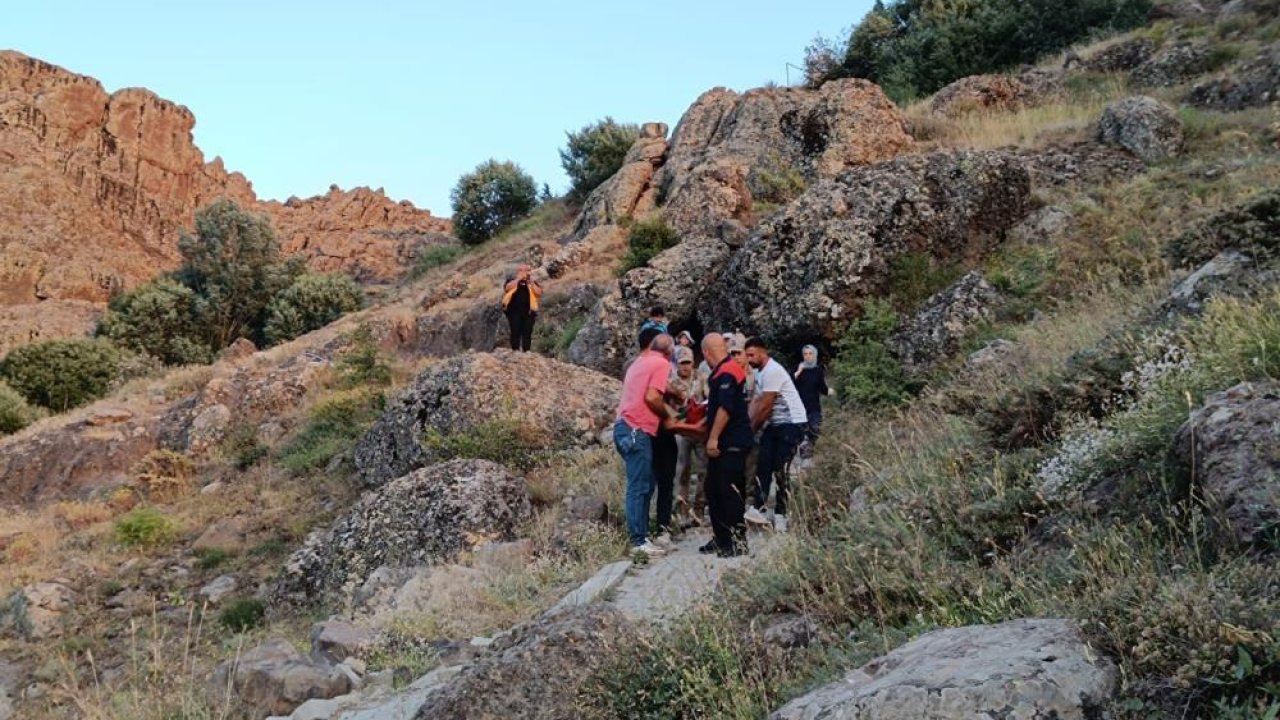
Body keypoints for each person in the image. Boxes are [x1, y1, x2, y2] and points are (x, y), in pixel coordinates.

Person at [614, 330, 694, 557]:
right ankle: (638, 541)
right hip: (636, 430)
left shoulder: (639, 363)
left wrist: (672, 392)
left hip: (626, 427)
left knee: (645, 484)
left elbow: (651, 388)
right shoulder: (661, 364)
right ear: (670, 352)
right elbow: (651, 397)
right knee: (639, 487)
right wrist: (670, 416)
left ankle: (642, 537)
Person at [743, 337, 808, 534]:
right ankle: (760, 509)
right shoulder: (759, 372)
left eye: (752, 354)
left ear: (763, 352)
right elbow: (756, 401)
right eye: (747, 355)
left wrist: (750, 431)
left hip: (791, 422)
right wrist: (746, 426)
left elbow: (765, 406)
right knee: (763, 463)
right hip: (775, 424)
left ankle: (782, 515)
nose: (749, 359)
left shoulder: (773, 370)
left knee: (781, 469)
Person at [699, 332, 754, 557]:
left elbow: (725, 408)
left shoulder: (728, 372)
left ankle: (737, 541)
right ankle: (722, 537)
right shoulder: (721, 371)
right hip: (724, 440)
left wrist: (713, 437)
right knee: (713, 489)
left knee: (730, 491)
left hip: (731, 441)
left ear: (705, 353)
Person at [669, 346, 707, 527]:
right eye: (682, 363)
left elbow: (709, 398)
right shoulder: (671, 382)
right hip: (681, 431)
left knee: (704, 470)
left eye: (688, 363)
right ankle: (681, 511)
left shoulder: (701, 377)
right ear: (677, 364)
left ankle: (699, 510)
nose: (685, 367)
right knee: (681, 471)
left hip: (699, 429)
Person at [793, 344, 832, 458]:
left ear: (814, 355)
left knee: (814, 432)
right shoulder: (797, 368)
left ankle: (810, 460)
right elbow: (790, 384)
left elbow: (822, 387)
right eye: (805, 354)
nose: (808, 356)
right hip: (799, 408)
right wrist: (798, 371)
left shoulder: (818, 370)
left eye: (810, 354)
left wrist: (829, 391)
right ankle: (799, 460)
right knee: (799, 436)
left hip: (814, 407)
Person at [501, 264, 542, 352]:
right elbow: (507, 288)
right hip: (514, 312)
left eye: (526, 270)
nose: (524, 272)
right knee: (515, 331)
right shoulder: (512, 281)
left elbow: (539, 293)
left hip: (529, 312)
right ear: (517, 272)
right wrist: (518, 279)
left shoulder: (531, 282)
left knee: (527, 333)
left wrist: (531, 282)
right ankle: (515, 351)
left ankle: (526, 352)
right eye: (521, 270)